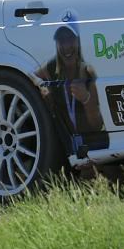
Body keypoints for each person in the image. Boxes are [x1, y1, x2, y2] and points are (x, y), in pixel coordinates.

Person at [34, 19, 106, 159]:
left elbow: (96, 125)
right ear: (56, 44)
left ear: (78, 41)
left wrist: (86, 99)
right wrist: (40, 85)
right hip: (67, 146)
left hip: (94, 143)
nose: (66, 46)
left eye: (70, 39)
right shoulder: (50, 68)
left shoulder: (88, 71)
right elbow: (29, 75)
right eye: (61, 40)